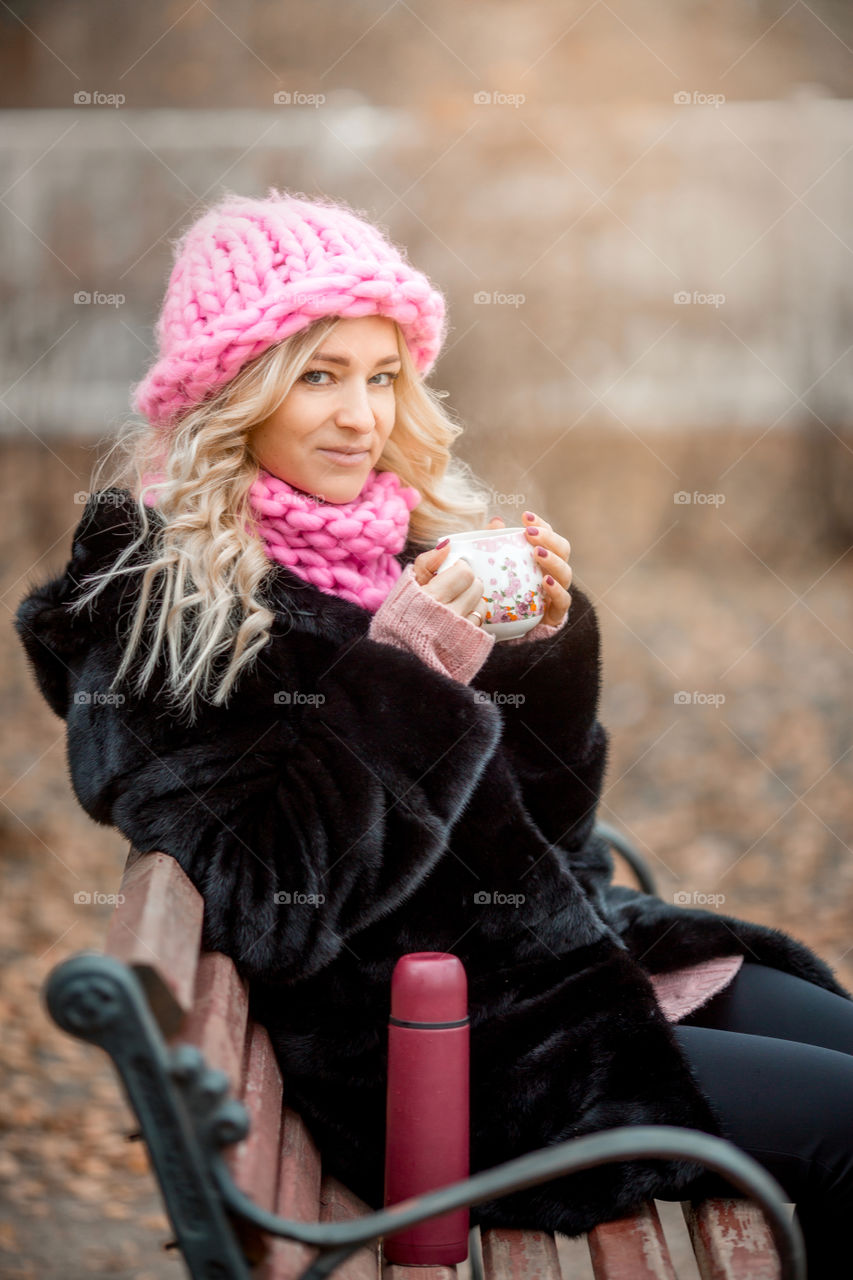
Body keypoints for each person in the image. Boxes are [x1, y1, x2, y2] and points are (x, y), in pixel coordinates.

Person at [13, 187, 853, 1276]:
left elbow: (546, 830)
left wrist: (537, 646)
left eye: (379, 374)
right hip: (453, 1059)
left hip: (559, 959)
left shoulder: (386, 543)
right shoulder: (157, 607)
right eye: (317, 374)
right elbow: (268, 897)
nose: (361, 416)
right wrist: (409, 657)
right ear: (234, 389)